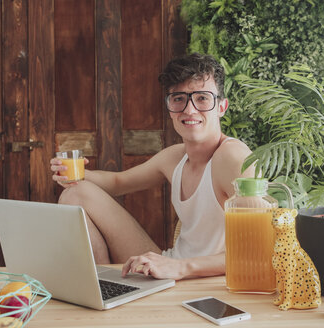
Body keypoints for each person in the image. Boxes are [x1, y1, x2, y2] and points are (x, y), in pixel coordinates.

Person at [50, 53, 254, 280]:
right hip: (172, 264)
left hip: (204, 278)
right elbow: (118, 182)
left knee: (76, 193)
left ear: (221, 107)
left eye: (202, 98)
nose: (189, 110)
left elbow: (258, 250)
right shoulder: (175, 158)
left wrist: (181, 268)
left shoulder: (233, 158)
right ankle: (103, 285)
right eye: (179, 99)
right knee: (75, 193)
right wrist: (78, 174)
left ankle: (107, 288)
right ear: (169, 108)